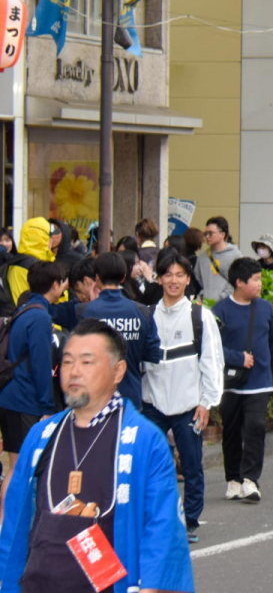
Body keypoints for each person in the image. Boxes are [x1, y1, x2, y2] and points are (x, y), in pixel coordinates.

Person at [0, 319, 195, 593]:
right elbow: (15, 520)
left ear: (118, 371)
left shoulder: (144, 440)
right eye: (67, 362)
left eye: (87, 362)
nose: (74, 372)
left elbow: (163, 528)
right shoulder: (41, 435)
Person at [143, 252, 224, 543]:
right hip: (152, 405)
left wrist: (207, 402)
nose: (173, 280)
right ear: (159, 278)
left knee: (191, 466)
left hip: (190, 405)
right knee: (150, 466)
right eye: (168, 274)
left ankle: (190, 521)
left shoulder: (199, 315)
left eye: (179, 275)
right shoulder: (148, 314)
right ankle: (156, 519)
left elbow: (213, 362)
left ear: (188, 279)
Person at [213, 258, 273, 503]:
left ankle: (251, 480)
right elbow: (212, 347)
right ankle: (233, 479)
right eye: (255, 279)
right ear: (239, 282)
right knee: (231, 432)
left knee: (255, 429)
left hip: (261, 381)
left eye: (260, 278)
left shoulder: (265, 308)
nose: (260, 284)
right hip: (231, 384)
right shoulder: (220, 311)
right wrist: (237, 358)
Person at [0, 261, 66, 472]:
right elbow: (41, 365)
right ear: (55, 284)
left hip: (11, 396)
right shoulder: (40, 317)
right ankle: (9, 507)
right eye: (63, 282)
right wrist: (47, 407)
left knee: (15, 466)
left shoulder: (24, 309)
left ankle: (5, 507)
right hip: (25, 401)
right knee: (23, 469)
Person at [80, 252, 163, 409]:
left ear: (96, 278)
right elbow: (154, 354)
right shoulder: (141, 312)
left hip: (94, 397)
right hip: (130, 397)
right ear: (124, 277)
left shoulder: (84, 312)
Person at [2, 218, 58, 316]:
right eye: (50, 236)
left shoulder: (23, 262)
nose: (52, 240)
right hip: (37, 322)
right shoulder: (26, 266)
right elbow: (22, 303)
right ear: (44, 238)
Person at [196, 216, 242, 302]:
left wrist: (223, 296)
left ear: (222, 235)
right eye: (205, 233)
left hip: (227, 302)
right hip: (206, 304)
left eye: (210, 233)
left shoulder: (235, 255)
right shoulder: (202, 257)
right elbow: (198, 278)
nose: (207, 237)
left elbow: (238, 279)